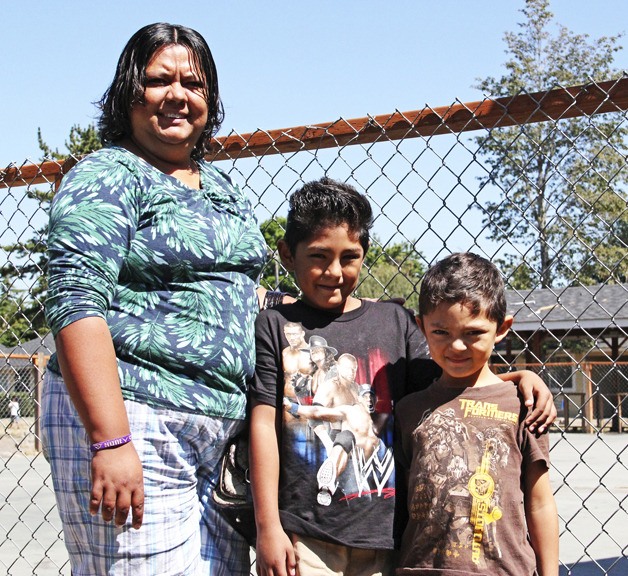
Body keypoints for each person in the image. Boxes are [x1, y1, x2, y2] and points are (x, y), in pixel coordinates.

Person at [40, 23, 268, 576]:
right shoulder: (110, 174)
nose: (177, 95)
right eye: (158, 80)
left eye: (193, 82)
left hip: (218, 434)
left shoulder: (220, 189)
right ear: (129, 93)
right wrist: (110, 439)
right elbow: (75, 300)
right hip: (136, 416)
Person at [248, 177, 556, 576]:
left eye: (349, 257)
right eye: (319, 256)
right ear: (288, 255)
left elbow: (452, 382)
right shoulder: (274, 326)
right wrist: (268, 525)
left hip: (387, 536)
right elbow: (263, 425)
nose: (334, 271)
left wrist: (515, 378)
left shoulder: (393, 322)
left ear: (365, 253)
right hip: (305, 534)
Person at [395, 252, 558, 576]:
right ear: (421, 326)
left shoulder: (524, 405)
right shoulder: (408, 409)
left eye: (473, 333)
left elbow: (540, 502)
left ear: (502, 329)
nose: (456, 346)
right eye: (441, 332)